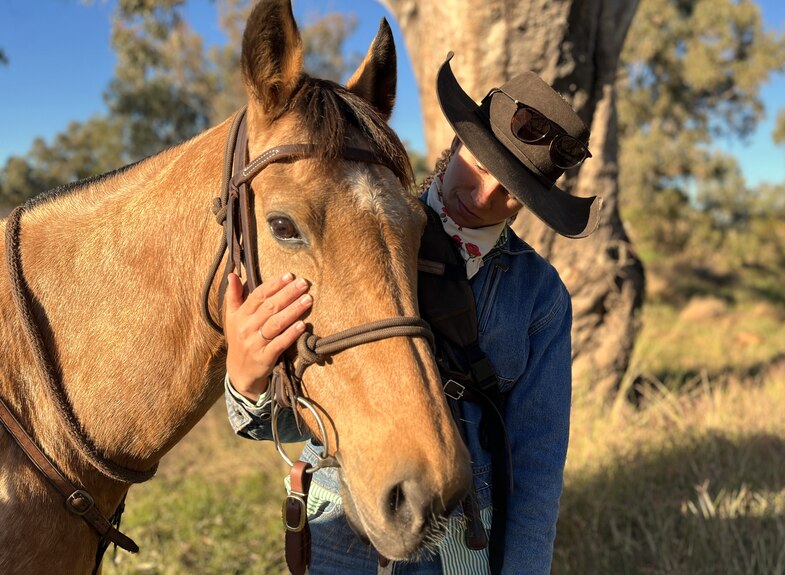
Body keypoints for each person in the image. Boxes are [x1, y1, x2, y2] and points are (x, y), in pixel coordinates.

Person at [223, 52, 601, 575]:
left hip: (463, 545)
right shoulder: (347, 232)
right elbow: (288, 423)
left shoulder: (539, 296)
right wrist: (246, 384)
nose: (484, 194)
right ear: (457, 142)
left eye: (512, 191)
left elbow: (537, 466)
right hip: (340, 526)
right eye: (483, 164)